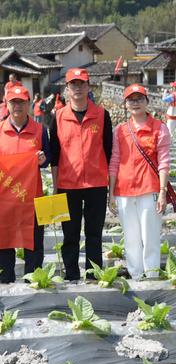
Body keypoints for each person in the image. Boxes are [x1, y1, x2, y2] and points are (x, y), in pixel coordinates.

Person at [49, 68, 112, 281]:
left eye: (81, 84)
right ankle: (72, 276)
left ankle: (93, 276)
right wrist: (55, 187)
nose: (77, 88)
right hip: (68, 184)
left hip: (96, 184)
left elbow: (109, 150)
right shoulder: (57, 117)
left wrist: (110, 185)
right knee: (70, 235)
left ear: (88, 86)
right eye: (73, 84)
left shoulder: (102, 115)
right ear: (66, 88)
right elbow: (55, 156)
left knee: (94, 234)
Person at [0, 86, 50, 282]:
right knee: (4, 241)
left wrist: (42, 160)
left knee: (33, 242)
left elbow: (48, 159)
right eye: (13, 102)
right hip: (4, 198)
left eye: (21, 102)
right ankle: (6, 279)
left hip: (32, 197)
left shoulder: (40, 130)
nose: (17, 106)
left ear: (29, 104)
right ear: (7, 104)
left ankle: (33, 280)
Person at [109, 85, 170, 280]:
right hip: (124, 190)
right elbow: (115, 161)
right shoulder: (119, 130)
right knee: (131, 237)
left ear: (147, 101)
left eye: (139, 99)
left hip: (149, 189)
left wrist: (162, 192)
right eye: (131, 100)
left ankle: (151, 275)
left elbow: (164, 162)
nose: (135, 103)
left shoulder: (159, 128)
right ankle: (135, 274)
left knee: (150, 236)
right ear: (125, 104)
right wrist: (111, 193)